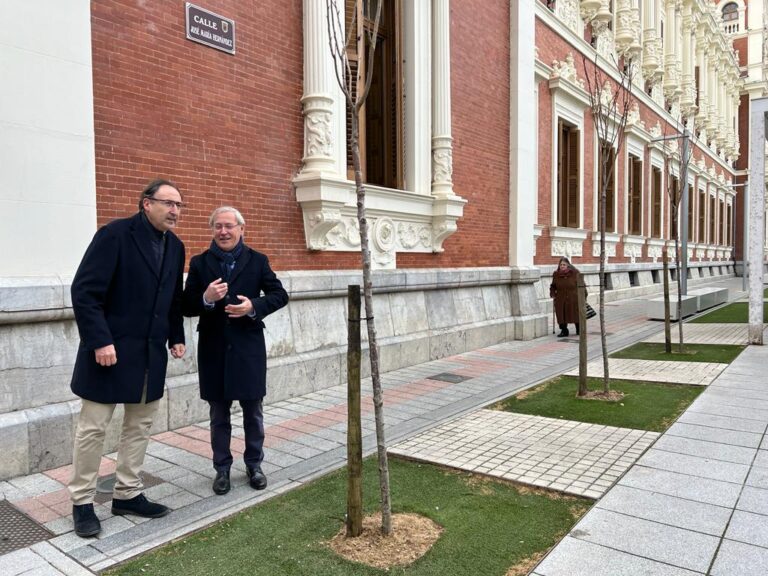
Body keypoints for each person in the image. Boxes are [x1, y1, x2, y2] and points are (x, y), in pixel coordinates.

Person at [68, 179, 187, 538]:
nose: (175, 211)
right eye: (168, 203)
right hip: (108, 354)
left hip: (150, 355)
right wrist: (99, 341)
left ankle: (128, 493)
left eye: (180, 205)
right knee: (93, 429)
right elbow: (85, 291)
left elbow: (174, 298)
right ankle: (82, 502)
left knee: (140, 426)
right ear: (146, 203)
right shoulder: (115, 235)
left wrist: (176, 336)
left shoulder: (176, 246)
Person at [182, 207, 288, 495]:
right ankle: (222, 469)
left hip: (248, 348)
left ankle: (254, 464)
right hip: (214, 350)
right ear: (212, 230)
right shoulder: (200, 263)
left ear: (242, 229)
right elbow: (186, 304)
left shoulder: (257, 260)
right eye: (218, 226)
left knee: (253, 412)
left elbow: (280, 295)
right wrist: (205, 298)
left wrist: (253, 306)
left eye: (229, 226)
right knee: (219, 414)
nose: (223, 231)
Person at [550, 256, 580, 337]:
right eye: (561, 265)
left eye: (564, 264)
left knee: (575, 313)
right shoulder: (556, 274)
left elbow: (581, 285)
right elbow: (553, 286)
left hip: (573, 297)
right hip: (560, 298)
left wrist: (583, 296)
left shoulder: (575, 273)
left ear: (568, 265)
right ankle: (564, 330)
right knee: (561, 314)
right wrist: (553, 294)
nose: (562, 266)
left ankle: (579, 329)